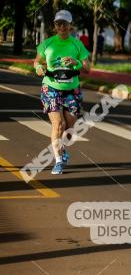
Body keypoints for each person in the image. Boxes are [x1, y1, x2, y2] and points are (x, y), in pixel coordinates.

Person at [33, 10, 91, 175]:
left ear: (70, 25)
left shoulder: (77, 44)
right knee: (58, 124)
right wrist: (38, 67)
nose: (62, 26)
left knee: (69, 130)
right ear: (54, 26)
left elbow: (88, 68)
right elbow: (38, 60)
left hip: (72, 90)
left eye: (65, 23)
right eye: (58, 23)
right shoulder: (48, 43)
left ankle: (63, 149)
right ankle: (58, 160)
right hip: (50, 88)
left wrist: (76, 62)